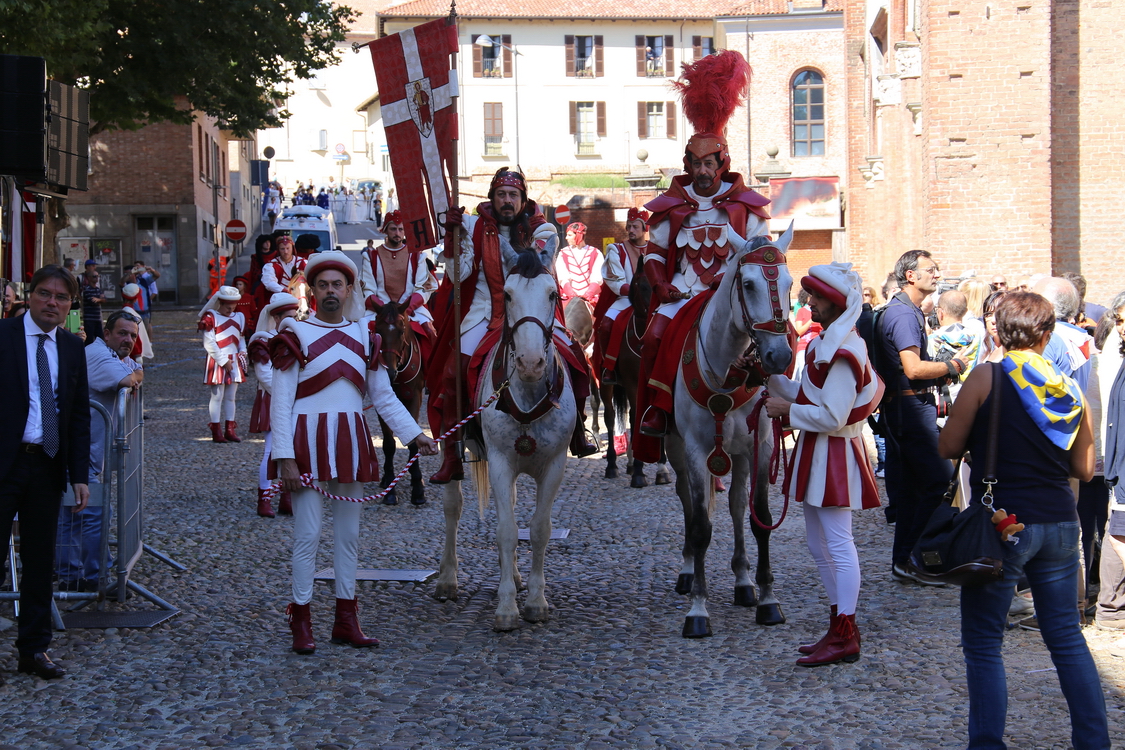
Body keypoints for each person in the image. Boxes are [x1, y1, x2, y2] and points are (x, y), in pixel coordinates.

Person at [938, 291, 1109, 750]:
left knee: (983, 643)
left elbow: (948, 446)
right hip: (1058, 521)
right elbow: (1085, 470)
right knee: (1067, 640)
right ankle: (1094, 742)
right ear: (1048, 335)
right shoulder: (1068, 387)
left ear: (997, 330)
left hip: (1004, 522)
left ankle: (988, 744)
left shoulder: (986, 377)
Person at [269, 252, 438, 654]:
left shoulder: (367, 336)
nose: (331, 291)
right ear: (312, 289)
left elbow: (383, 395)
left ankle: (346, 619)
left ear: (349, 290)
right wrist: (284, 457)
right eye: (323, 285)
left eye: (337, 285)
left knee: (349, 537)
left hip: (350, 440)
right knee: (307, 534)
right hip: (306, 442)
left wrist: (416, 435)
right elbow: (281, 400)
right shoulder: (295, 332)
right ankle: (302, 620)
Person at [634, 50, 771, 455]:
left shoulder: (746, 206)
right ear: (688, 164)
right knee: (655, 334)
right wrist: (661, 287)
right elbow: (655, 253)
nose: (703, 171)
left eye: (710, 163)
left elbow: (762, 255)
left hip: (733, 293)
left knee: (778, 333)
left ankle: (775, 398)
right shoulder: (670, 203)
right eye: (696, 164)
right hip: (683, 290)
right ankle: (657, 410)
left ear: (722, 162)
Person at [426, 167, 594, 483]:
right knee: (453, 370)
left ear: (522, 199)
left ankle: (578, 430)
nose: (507, 201)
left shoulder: (542, 230)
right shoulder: (472, 226)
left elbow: (528, 263)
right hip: (484, 311)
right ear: (492, 198)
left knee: (575, 357)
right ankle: (453, 453)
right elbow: (458, 276)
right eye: (501, 194)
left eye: (513, 195)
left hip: (532, 310)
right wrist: (452, 241)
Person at [764, 263, 885, 667]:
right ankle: (838, 626)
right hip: (820, 451)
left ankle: (846, 631)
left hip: (833, 451)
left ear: (836, 303)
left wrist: (787, 409)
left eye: (816, 297)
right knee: (820, 543)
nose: (808, 302)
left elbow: (834, 415)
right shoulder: (826, 344)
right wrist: (769, 380)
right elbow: (810, 393)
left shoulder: (846, 349)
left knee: (837, 542)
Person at [0, 264, 90, 680]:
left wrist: (79, 474)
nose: (52, 303)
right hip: (6, 461)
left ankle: (33, 650)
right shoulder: (3, 337)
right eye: (45, 294)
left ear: (70, 305)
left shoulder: (72, 348)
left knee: (40, 562)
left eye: (61, 297)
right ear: (29, 296)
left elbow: (77, 416)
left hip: (47, 463)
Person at [876, 250, 966, 581]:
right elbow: (913, 369)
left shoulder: (905, 310)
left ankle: (906, 561)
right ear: (911, 275)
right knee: (939, 481)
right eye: (931, 269)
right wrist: (951, 366)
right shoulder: (902, 315)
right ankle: (913, 556)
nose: (937, 274)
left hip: (908, 408)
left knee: (917, 489)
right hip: (911, 411)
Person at [57, 311, 142, 593]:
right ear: (106, 334)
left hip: (88, 450)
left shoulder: (111, 355)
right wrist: (136, 373)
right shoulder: (97, 355)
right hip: (82, 451)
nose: (128, 340)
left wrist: (136, 371)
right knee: (90, 512)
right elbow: (130, 380)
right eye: (122, 333)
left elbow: (135, 371)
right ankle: (96, 576)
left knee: (73, 513)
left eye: (132, 335)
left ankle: (70, 573)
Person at [358, 210, 437, 365]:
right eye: (393, 229)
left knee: (430, 334)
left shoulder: (417, 256)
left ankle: (430, 380)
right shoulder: (371, 256)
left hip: (411, 309)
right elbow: (367, 289)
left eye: (401, 229)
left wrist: (405, 309)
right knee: (359, 333)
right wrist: (385, 311)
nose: (397, 233)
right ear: (385, 230)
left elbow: (423, 288)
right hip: (378, 310)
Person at [248, 292, 299, 518]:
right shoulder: (262, 340)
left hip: (295, 400)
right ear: (276, 318)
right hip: (273, 400)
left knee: (294, 450)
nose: (293, 321)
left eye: (295, 316)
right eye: (288, 316)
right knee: (271, 450)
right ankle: (265, 498)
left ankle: (287, 497)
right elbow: (265, 376)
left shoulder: (298, 337)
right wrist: (288, 396)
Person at [593, 208, 649, 384]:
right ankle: (609, 367)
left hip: (652, 300)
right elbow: (614, 279)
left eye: (635, 227)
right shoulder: (616, 249)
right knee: (606, 325)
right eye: (629, 226)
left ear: (645, 228)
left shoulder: (656, 249)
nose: (631, 230)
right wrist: (633, 292)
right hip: (626, 298)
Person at [1097, 294, 1125, 629]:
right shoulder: (1116, 356)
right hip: (1120, 462)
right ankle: (1111, 609)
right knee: (1118, 531)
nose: (1120, 328)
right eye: (1117, 321)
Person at [199, 285, 248, 443]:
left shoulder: (239, 316)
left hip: (234, 359)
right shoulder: (211, 316)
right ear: (220, 302)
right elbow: (209, 343)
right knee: (217, 396)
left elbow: (240, 338)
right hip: (218, 359)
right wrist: (223, 361)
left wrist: (243, 352)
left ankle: (230, 429)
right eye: (227, 306)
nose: (230, 309)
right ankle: (216, 430)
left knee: (231, 397)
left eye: (233, 305)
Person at [1034, 277, 1092, 392]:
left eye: (1035, 299)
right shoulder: (1080, 335)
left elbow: (1037, 388)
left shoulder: (1049, 338)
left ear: (1049, 306)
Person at [554, 222, 603, 309]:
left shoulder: (595, 253)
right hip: (568, 299)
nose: (566, 238)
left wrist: (587, 296)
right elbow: (562, 278)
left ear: (578, 235)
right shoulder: (563, 253)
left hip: (591, 300)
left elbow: (598, 278)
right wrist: (572, 296)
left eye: (569, 235)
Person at [119, 260, 161, 332]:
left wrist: (151, 270)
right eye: (126, 274)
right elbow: (122, 282)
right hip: (133, 314)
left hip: (145, 313)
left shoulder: (143, 281)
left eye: (129, 274)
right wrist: (130, 273)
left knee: (145, 333)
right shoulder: (127, 285)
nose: (128, 276)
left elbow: (157, 275)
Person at [247, 235, 277, 312]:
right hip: (260, 281)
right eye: (265, 242)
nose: (267, 244)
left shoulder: (276, 255)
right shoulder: (255, 257)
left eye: (269, 242)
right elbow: (254, 272)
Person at [79, 260, 105, 346]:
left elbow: (104, 299)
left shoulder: (98, 289)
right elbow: (92, 300)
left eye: (98, 276)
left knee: (100, 339)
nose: (97, 278)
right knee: (89, 339)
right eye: (94, 276)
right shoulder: (86, 288)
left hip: (97, 317)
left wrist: (99, 300)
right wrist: (99, 299)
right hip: (89, 318)